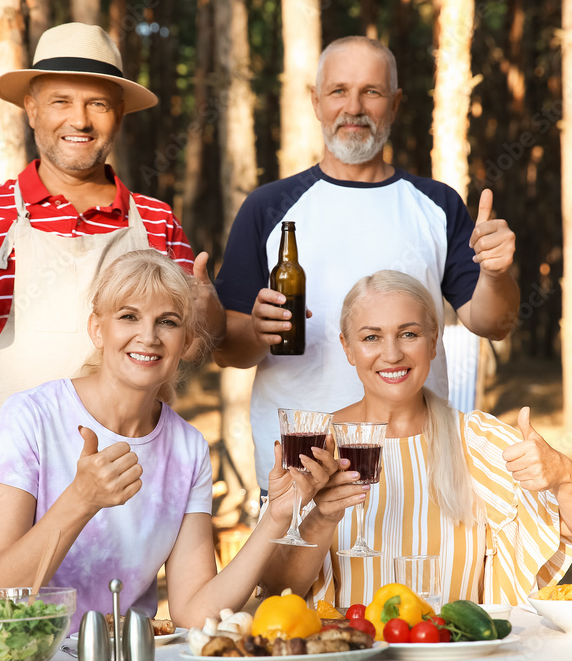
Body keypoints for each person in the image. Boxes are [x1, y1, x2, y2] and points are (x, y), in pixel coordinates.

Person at [0, 23, 223, 591]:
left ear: (119, 114)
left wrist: (209, 307)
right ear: (30, 108)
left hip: (121, 489)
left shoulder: (157, 221)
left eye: (98, 103)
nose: (80, 120)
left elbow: (195, 341)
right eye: (61, 101)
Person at [213, 35, 519, 496]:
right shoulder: (267, 207)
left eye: (371, 92)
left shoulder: (437, 205)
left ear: (394, 104)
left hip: (417, 463)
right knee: (302, 573)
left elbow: (492, 322)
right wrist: (256, 332)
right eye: (338, 91)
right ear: (315, 102)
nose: (353, 107)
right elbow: (225, 351)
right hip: (304, 465)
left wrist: (496, 273)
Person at [0, 250, 330, 628]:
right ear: (97, 328)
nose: (148, 336)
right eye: (128, 316)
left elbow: (193, 611)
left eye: (167, 322)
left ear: (187, 341)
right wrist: (80, 500)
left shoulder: (188, 447)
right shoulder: (30, 417)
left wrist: (274, 519)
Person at [261, 271, 572, 606]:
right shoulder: (314, 447)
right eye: (371, 337)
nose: (392, 353)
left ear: (433, 341)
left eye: (409, 334)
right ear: (348, 348)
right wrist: (321, 518)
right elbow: (276, 587)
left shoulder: (476, 440)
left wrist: (562, 472)